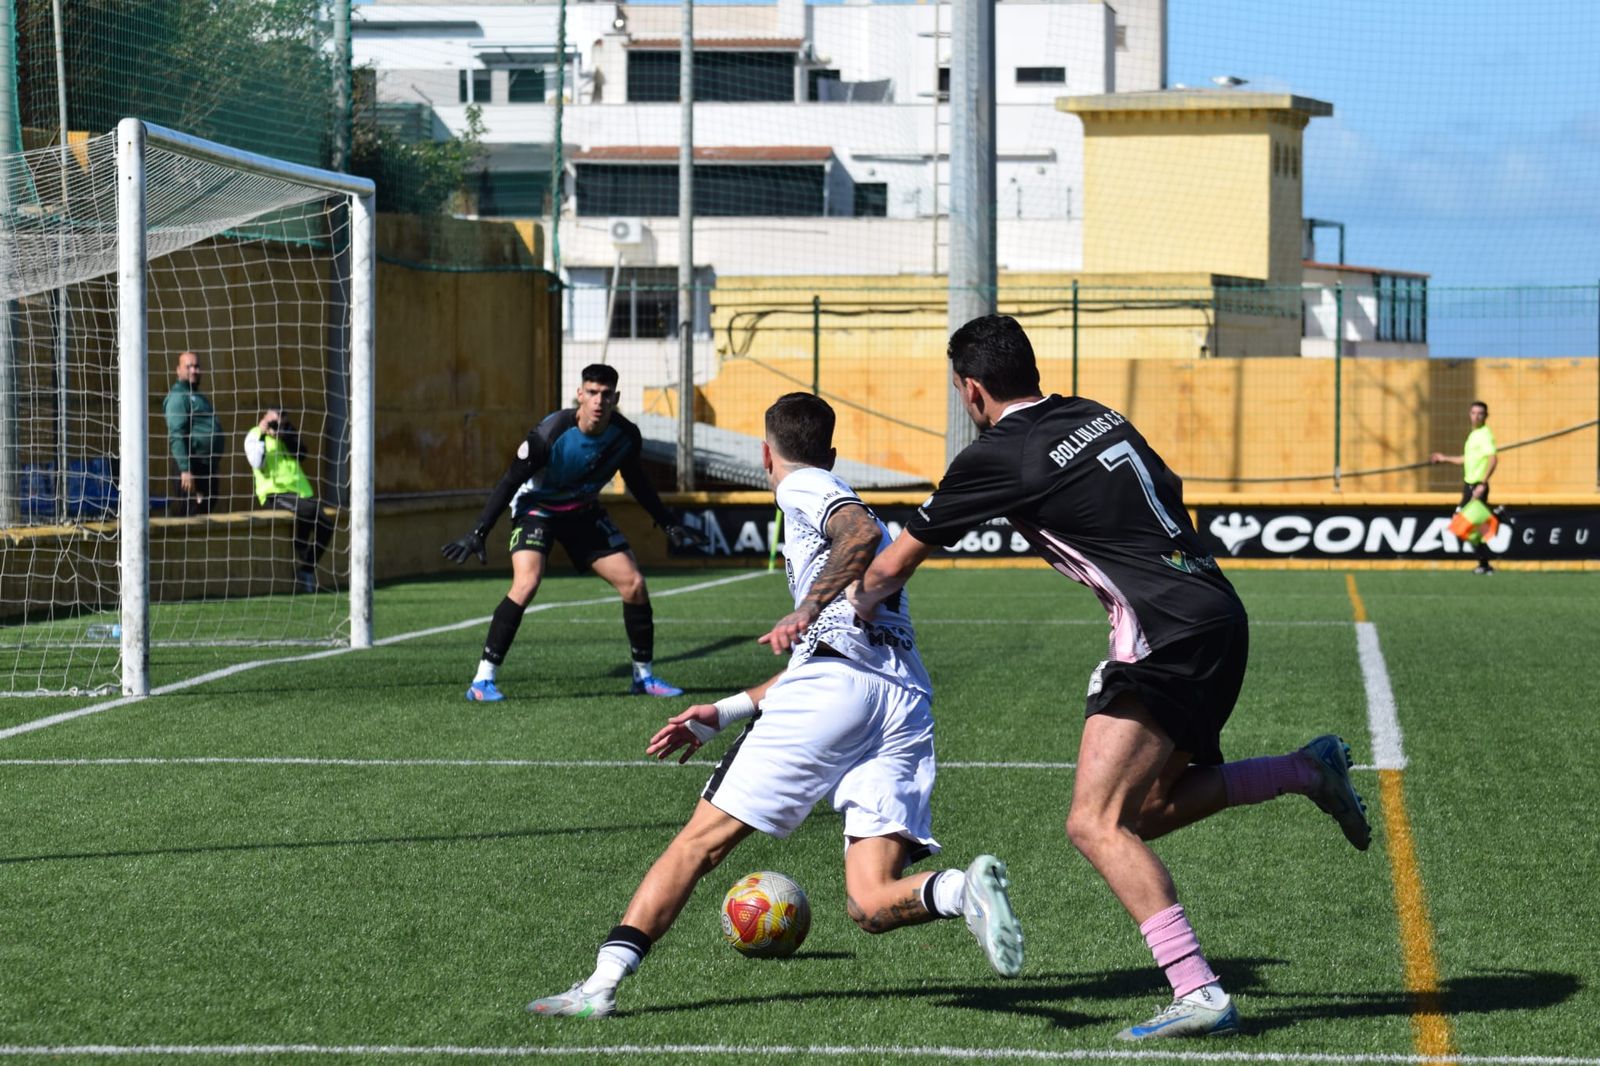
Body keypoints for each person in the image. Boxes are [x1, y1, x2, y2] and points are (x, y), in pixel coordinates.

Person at [849, 315, 1371, 1041]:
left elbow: (892, 564)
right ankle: (1307, 771)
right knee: (1146, 812)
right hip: (1215, 608)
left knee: (1093, 823)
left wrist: (846, 609)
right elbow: (1169, 486)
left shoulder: (999, 453)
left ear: (972, 391)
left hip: (1162, 632)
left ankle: (1199, 991)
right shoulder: (1095, 414)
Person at [526, 392, 1025, 1019]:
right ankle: (959, 890)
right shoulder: (845, 502)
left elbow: (858, 536)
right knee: (869, 904)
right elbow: (830, 654)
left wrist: (805, 608)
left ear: (766, 454)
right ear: (833, 449)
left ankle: (598, 986)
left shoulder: (804, 485)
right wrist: (728, 710)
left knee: (698, 844)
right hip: (902, 702)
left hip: (838, 690)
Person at [441, 364, 704, 702]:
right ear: (580, 394)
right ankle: (482, 681)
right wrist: (478, 532)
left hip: (582, 511)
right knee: (526, 582)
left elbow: (637, 481)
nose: (599, 401)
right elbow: (510, 481)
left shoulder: (625, 436)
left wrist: (668, 523)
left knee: (634, 584)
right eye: (592, 393)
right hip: (537, 509)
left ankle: (643, 677)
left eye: (606, 394)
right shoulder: (549, 434)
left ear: (616, 398)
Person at [244, 407, 333, 595]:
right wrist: (262, 432)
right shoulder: (254, 435)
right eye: (273, 422)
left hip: (301, 493)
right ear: (264, 418)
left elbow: (302, 454)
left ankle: (306, 569)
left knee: (326, 524)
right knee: (310, 510)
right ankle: (300, 544)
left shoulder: (286, 435)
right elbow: (256, 462)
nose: (277, 426)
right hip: (275, 493)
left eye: (281, 422)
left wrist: (285, 433)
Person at [1430, 400, 1499, 575]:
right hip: (1468, 486)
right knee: (1470, 527)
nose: (1476, 416)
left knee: (1461, 522)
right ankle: (1484, 563)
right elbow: (1465, 459)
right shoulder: (1473, 435)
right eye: (1473, 413)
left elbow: (1493, 459)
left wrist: (1482, 484)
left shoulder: (1485, 435)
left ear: (1486, 416)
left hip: (1477, 487)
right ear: (1469, 414)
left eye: (1480, 413)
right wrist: (1444, 458)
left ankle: (1497, 517)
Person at [162, 351, 223, 515]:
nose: (194, 370)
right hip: (190, 468)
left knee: (206, 510)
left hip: (206, 467)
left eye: (196, 366)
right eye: (188, 366)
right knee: (190, 514)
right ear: (178, 370)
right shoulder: (178, 397)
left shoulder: (197, 396)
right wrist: (185, 470)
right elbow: (176, 435)